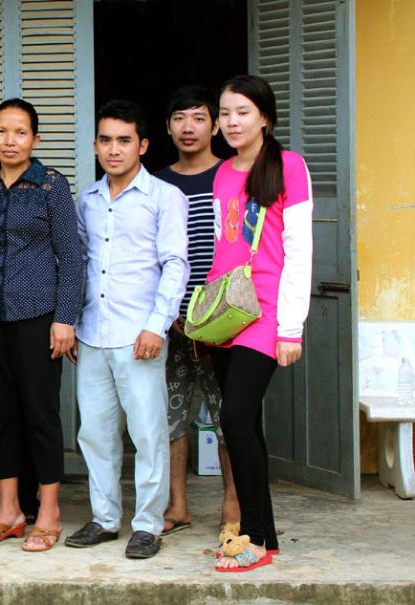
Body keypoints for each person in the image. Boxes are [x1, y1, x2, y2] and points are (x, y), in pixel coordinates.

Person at [0, 99, 84, 552]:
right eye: (2, 132)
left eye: (19, 132)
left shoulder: (51, 186)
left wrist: (65, 318)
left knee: (40, 415)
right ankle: (9, 509)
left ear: (35, 139)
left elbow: (71, 257)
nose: (9, 141)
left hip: (38, 317)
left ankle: (48, 512)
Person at [66, 99, 188, 559]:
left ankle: (148, 524)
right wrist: (72, 321)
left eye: (123, 141)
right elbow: (79, 263)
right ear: (95, 145)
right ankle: (104, 517)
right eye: (105, 140)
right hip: (92, 332)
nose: (113, 150)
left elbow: (175, 264)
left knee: (147, 432)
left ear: (143, 145)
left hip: (141, 334)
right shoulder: (88, 200)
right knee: (95, 433)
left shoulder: (164, 197)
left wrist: (158, 325)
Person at [211, 74, 312, 572]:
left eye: (242, 112)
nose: (231, 122)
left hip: (267, 313)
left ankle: (249, 535)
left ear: (265, 118)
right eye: (225, 113)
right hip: (228, 314)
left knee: (234, 417)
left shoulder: (289, 166)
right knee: (244, 424)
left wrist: (290, 328)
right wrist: (203, 320)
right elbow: (221, 251)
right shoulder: (223, 173)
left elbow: (299, 251)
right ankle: (264, 539)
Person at [155, 85, 240, 535]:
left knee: (228, 414)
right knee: (170, 415)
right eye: (180, 118)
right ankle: (177, 506)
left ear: (216, 125)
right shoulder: (156, 183)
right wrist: (165, 313)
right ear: (167, 127)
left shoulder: (232, 176)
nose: (189, 127)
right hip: (169, 321)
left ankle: (232, 504)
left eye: (199, 118)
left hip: (223, 323)